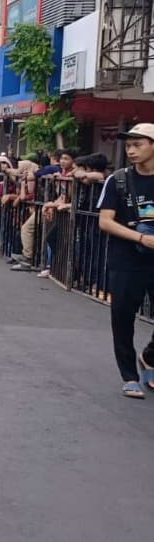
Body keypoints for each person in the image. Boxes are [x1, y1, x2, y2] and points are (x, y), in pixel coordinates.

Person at [97, 123, 154, 399]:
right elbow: (105, 222)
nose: (131, 151)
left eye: (138, 144)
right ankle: (129, 376)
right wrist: (140, 238)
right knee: (122, 317)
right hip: (125, 259)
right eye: (129, 146)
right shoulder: (118, 180)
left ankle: (149, 357)